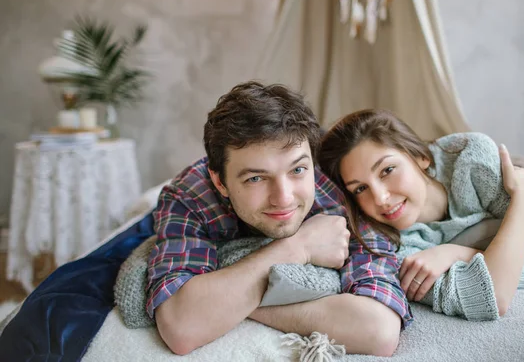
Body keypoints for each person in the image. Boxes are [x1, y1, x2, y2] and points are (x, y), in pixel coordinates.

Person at [146, 83, 412, 356]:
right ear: (220, 181)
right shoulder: (188, 196)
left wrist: (231, 305)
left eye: (297, 169)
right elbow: (181, 327)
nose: (283, 198)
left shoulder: (337, 180)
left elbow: (379, 331)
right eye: (256, 178)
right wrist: (298, 247)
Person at [318, 109, 524, 321]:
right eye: (360, 188)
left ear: (421, 157)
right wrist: (522, 201)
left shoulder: (471, 158)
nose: (380, 198)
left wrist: (455, 253)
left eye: (387, 170)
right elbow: (490, 296)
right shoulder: (389, 247)